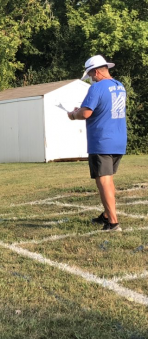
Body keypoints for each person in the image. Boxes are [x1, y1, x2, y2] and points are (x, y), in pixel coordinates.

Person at [68, 55, 127, 232]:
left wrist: (73, 114)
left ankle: (113, 222)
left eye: (91, 75)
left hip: (101, 140)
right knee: (109, 179)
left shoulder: (97, 88)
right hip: (118, 139)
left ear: (96, 71)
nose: (92, 78)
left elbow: (86, 113)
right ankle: (107, 215)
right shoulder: (119, 86)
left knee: (103, 181)